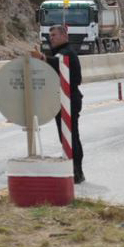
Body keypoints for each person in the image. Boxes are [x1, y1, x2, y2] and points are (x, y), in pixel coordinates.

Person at [35, 24, 84, 183]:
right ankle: (75, 171)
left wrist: (43, 58)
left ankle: (76, 172)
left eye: (54, 35)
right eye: (50, 36)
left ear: (64, 36)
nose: (51, 38)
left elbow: (60, 63)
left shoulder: (66, 53)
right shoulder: (60, 53)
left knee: (70, 137)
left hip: (68, 100)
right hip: (64, 100)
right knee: (68, 137)